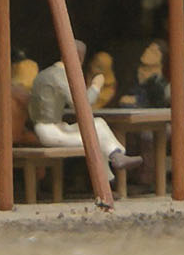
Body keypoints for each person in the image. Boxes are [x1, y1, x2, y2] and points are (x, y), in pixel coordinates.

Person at [27, 41, 142, 177]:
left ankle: (116, 157)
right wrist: (96, 86)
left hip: (55, 127)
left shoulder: (49, 73)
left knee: (98, 124)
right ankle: (113, 166)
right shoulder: (60, 75)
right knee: (97, 141)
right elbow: (81, 105)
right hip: (49, 131)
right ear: (79, 58)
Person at [117, 40, 168, 108]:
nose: (147, 51)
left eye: (153, 52)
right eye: (148, 48)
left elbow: (156, 103)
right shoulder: (133, 74)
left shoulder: (158, 83)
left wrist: (137, 100)